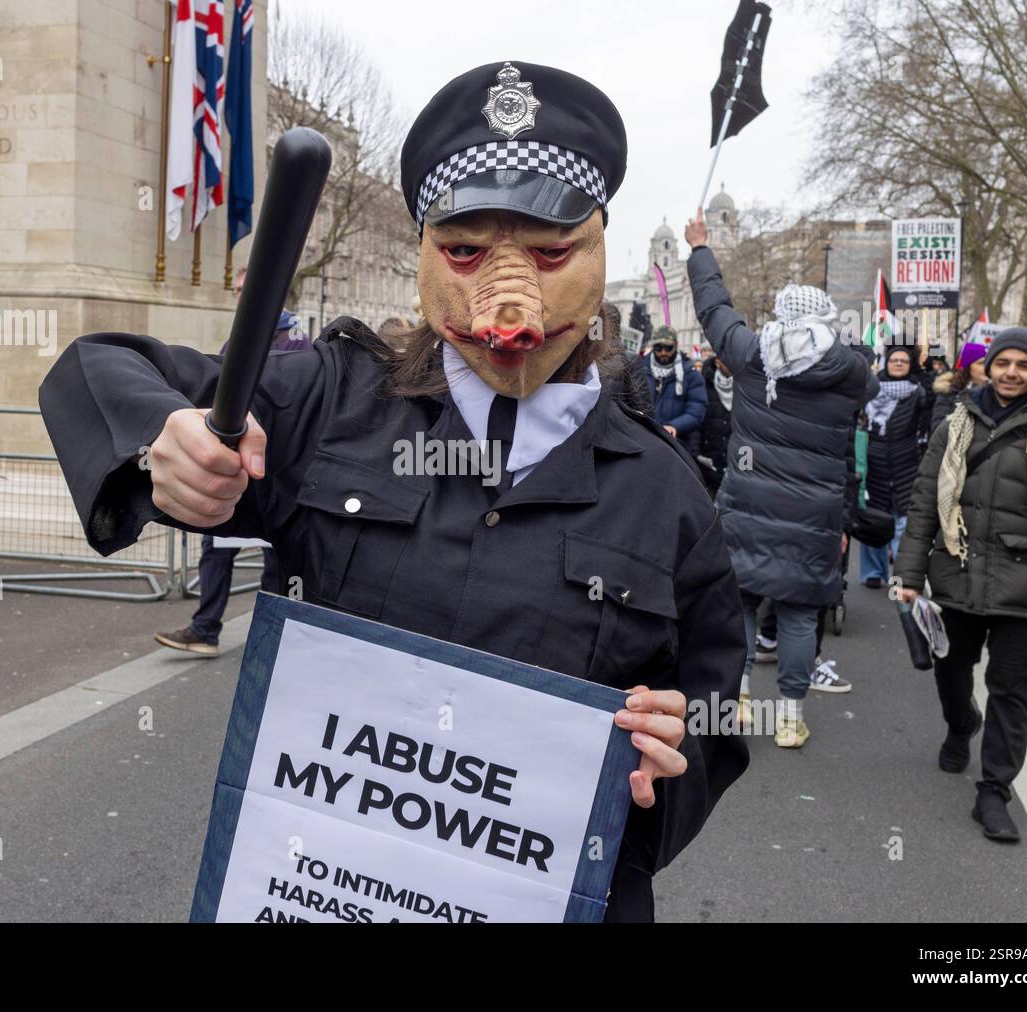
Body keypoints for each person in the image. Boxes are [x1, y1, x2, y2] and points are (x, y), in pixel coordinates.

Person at [40, 61, 749, 922]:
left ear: (600, 251)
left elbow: (716, 713)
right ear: (425, 253)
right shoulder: (330, 400)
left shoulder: (667, 494)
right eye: (465, 252)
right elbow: (101, 364)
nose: (507, 308)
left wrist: (664, 771)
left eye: (552, 253)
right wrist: (167, 438)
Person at [685, 209, 878, 746]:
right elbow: (871, 390)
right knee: (798, 613)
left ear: (780, 317)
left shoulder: (752, 357)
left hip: (747, 504)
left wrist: (701, 249)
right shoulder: (851, 372)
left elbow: (715, 310)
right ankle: (791, 715)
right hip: (813, 515)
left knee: (741, 601)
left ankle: (741, 695)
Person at [895, 329, 1027, 842]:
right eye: (1002, 362)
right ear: (986, 366)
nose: (1011, 372)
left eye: (1023, 366)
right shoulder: (953, 428)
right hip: (957, 575)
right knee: (951, 668)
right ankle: (961, 723)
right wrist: (909, 576)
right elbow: (922, 504)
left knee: (1011, 691)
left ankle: (993, 793)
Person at [155, 312, 310, 655]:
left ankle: (269, 637)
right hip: (237, 471)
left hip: (275, 476)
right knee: (218, 553)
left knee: (275, 562)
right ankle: (206, 628)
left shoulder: (298, 347)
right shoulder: (238, 346)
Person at [859, 344, 928, 588]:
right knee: (875, 521)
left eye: (904, 361)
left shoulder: (918, 393)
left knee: (903, 525)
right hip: (874, 463)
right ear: (886, 363)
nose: (898, 364)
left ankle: (902, 576)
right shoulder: (869, 391)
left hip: (907, 465)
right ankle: (873, 573)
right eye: (894, 360)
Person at [633, 328, 707, 454]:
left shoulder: (690, 374)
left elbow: (696, 411)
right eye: (658, 348)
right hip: (642, 442)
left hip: (677, 445)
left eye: (668, 348)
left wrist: (674, 426)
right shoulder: (639, 369)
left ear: (676, 346)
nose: (663, 353)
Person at [696, 354, 733, 494]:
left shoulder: (745, 385)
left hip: (737, 465)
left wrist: (745, 465)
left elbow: (748, 429)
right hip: (708, 464)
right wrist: (697, 455)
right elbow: (697, 421)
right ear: (718, 362)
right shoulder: (703, 383)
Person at [931, 341, 987, 430]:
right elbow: (937, 428)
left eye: (988, 362)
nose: (987, 367)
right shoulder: (949, 392)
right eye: (981, 363)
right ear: (967, 367)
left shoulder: (995, 392)